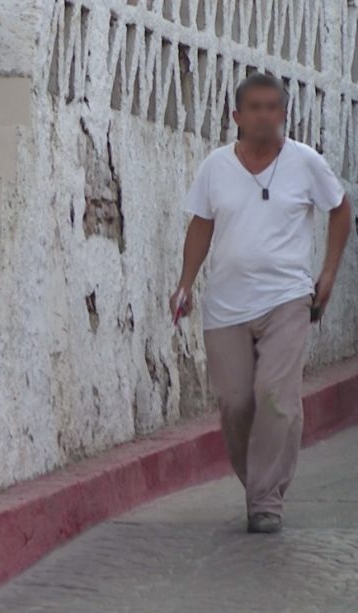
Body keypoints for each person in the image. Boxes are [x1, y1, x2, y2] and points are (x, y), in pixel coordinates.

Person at [170, 73, 351, 534]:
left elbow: (340, 207)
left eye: (273, 107)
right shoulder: (215, 167)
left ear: (284, 115)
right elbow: (201, 225)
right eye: (255, 107)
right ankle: (257, 483)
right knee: (234, 403)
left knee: (275, 395)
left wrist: (327, 273)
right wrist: (185, 284)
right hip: (226, 306)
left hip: (287, 298)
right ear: (236, 116)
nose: (265, 115)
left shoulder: (304, 162)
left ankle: (266, 500)